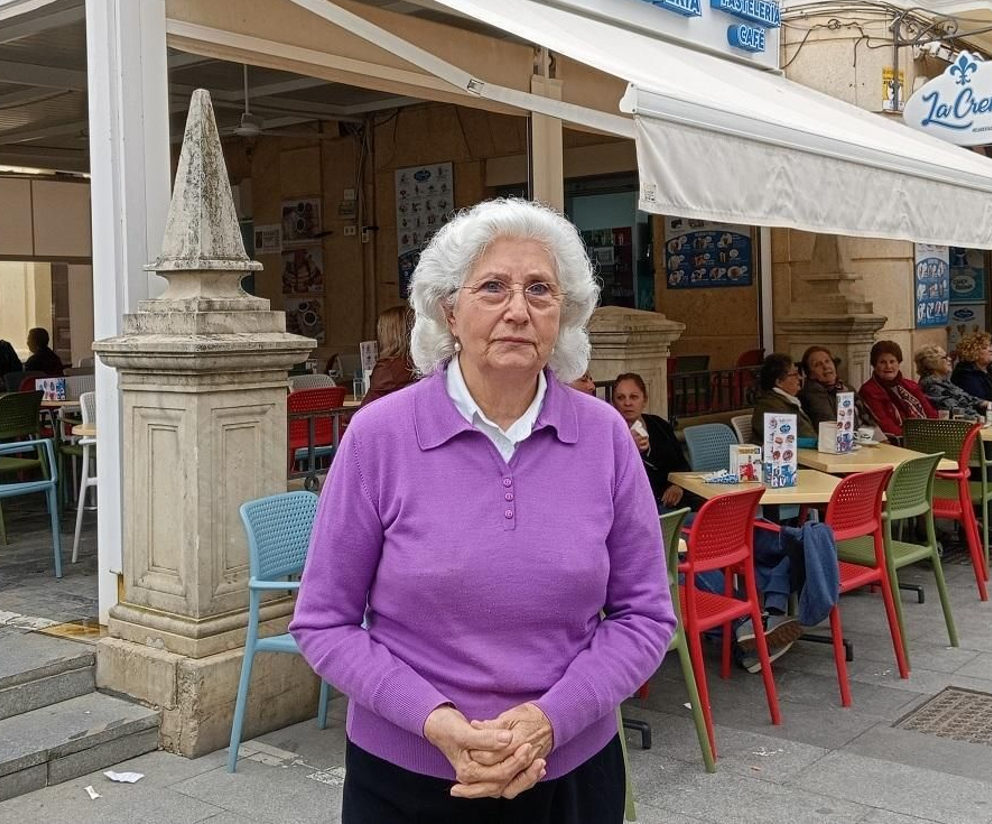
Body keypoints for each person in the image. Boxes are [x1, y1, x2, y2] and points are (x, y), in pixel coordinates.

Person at [290, 198, 673, 822]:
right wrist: (436, 722)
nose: (517, 310)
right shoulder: (379, 436)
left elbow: (645, 618)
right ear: (450, 309)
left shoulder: (605, 435)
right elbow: (323, 622)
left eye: (540, 289)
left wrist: (551, 720)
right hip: (408, 776)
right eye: (492, 287)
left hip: (570, 769)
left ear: (564, 315)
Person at [611, 372, 706, 513]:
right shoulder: (611, 433)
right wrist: (629, 447)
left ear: (644, 400)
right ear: (614, 403)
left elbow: (681, 464)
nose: (627, 403)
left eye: (634, 397)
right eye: (620, 398)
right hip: (644, 506)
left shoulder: (659, 425)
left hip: (678, 498)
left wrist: (677, 486)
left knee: (716, 509)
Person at [856, 340, 936, 440]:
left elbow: (931, 414)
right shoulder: (869, 391)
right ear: (874, 365)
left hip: (928, 436)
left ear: (898, 363)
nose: (888, 366)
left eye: (892, 361)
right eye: (882, 362)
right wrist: (914, 439)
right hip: (900, 442)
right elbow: (885, 424)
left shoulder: (911, 386)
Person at [798, 345, 872, 428]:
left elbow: (868, 418)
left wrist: (882, 439)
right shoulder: (812, 395)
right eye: (817, 365)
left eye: (827, 361)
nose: (826, 367)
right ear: (810, 374)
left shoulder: (846, 387)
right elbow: (830, 425)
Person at [752, 354, 818, 445]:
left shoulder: (785, 400)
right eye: (794, 374)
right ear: (779, 382)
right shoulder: (770, 406)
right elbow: (785, 440)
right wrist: (816, 443)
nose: (800, 377)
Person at [360, 305, 417, 407]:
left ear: (387, 334)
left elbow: (366, 407)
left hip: (384, 420)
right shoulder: (421, 364)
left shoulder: (387, 369)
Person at [914, 345, 987, 420]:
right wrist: (979, 418)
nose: (949, 359)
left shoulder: (943, 381)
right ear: (931, 363)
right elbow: (953, 410)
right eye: (944, 357)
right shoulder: (931, 385)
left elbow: (965, 397)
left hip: (971, 420)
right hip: (958, 426)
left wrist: (985, 403)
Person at [951, 331, 992, 403]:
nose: (991, 349)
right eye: (985, 348)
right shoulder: (965, 373)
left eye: (990, 345)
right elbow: (979, 398)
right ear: (973, 352)